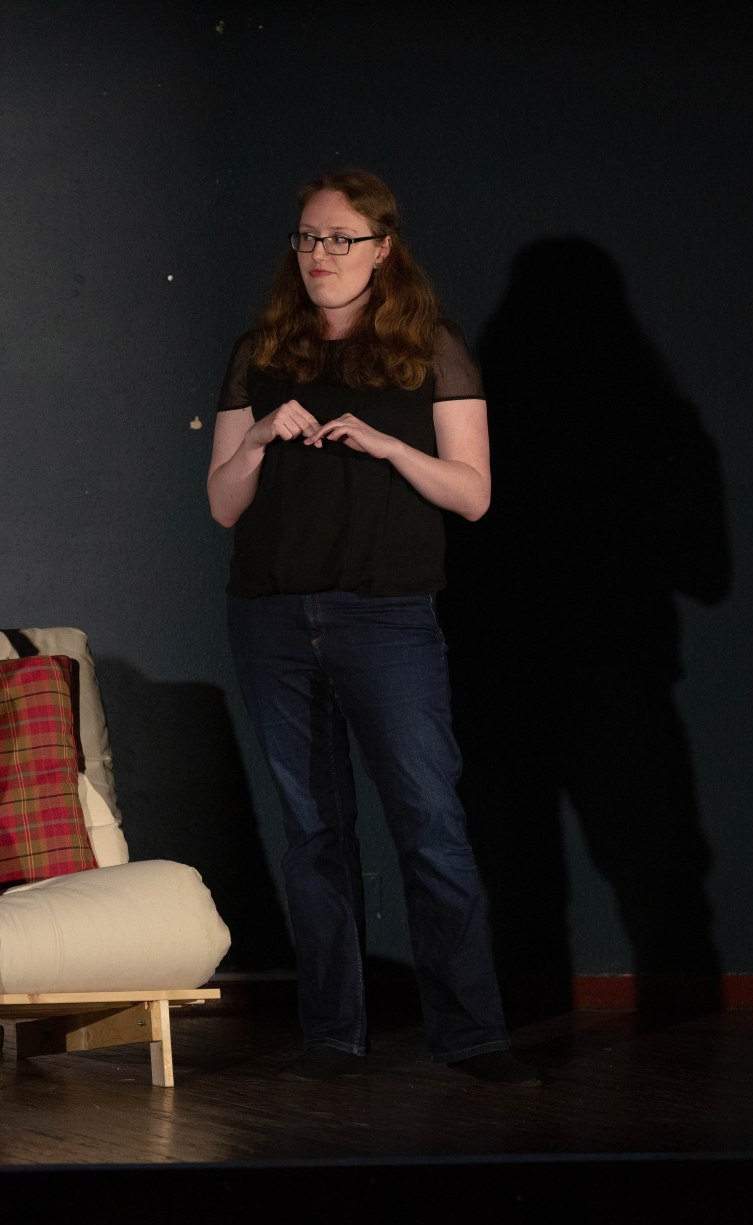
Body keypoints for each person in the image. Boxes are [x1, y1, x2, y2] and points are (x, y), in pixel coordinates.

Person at [205, 169, 540, 1085]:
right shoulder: (260, 352)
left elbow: (472, 496)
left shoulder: (429, 348)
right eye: (307, 239)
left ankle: (472, 1034)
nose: (319, 256)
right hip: (272, 619)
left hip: (385, 618)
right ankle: (333, 1036)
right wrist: (262, 434)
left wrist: (391, 445)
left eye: (340, 240)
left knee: (429, 821)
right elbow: (223, 505)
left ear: (383, 248)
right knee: (314, 831)